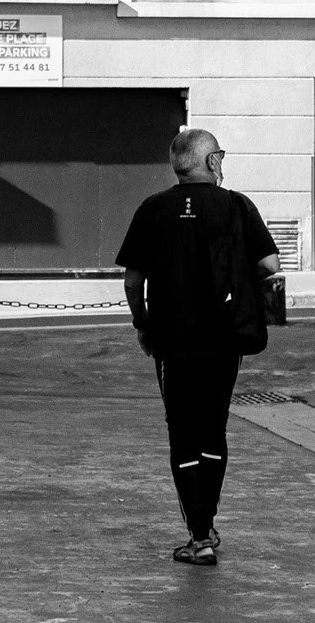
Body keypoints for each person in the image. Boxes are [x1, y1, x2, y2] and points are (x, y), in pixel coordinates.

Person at [117, 128, 281, 566]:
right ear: (210, 163)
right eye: (220, 157)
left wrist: (143, 326)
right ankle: (207, 526)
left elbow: (133, 281)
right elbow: (270, 266)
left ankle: (200, 533)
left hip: (173, 343)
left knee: (182, 434)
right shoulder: (237, 206)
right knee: (214, 429)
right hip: (225, 340)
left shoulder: (152, 209)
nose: (222, 164)